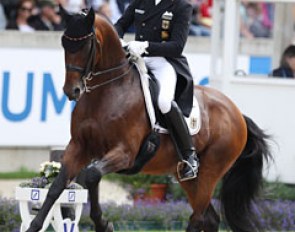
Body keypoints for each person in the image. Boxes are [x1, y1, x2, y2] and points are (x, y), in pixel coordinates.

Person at [114, 0, 199, 181]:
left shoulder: (181, 6)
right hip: (136, 58)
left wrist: (146, 46)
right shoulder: (141, 1)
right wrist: (118, 39)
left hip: (163, 61)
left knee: (164, 102)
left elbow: (177, 46)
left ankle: (189, 155)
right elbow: (121, 24)